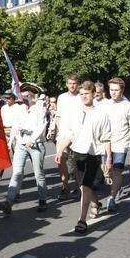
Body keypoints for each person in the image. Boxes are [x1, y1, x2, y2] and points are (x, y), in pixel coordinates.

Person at [55, 81, 112, 234]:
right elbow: (70, 134)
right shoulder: (76, 112)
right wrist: (60, 150)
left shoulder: (101, 114)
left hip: (93, 155)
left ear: (94, 94)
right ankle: (95, 203)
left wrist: (109, 159)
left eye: (86, 94)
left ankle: (82, 219)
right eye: (81, 94)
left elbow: (106, 138)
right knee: (82, 186)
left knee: (86, 187)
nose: (84, 97)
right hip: (76, 154)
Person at [0, 86, 49, 214]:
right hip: (21, 143)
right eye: (23, 95)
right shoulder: (20, 108)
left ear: (32, 96)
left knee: (38, 174)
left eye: (27, 95)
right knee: (17, 173)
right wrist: (11, 141)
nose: (24, 97)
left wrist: (33, 139)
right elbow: (16, 124)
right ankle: (8, 202)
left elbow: (42, 124)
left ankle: (42, 200)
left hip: (35, 144)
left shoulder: (39, 107)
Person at [103, 78, 130, 213]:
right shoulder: (105, 105)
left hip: (121, 144)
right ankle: (115, 188)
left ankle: (111, 198)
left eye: (116, 90)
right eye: (111, 90)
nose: (113, 92)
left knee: (117, 170)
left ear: (122, 90)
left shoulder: (128, 107)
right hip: (104, 143)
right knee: (106, 172)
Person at [47, 73, 82, 199]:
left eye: (74, 83)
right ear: (66, 84)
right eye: (70, 83)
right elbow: (59, 116)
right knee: (60, 160)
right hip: (63, 134)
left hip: (77, 135)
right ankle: (65, 186)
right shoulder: (61, 97)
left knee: (76, 164)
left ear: (77, 84)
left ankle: (79, 188)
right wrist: (57, 132)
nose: (72, 86)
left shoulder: (81, 97)